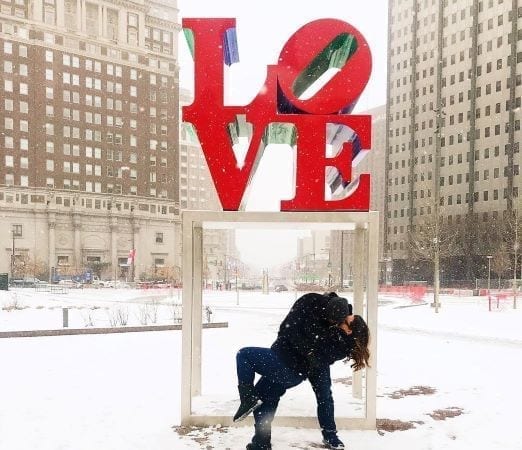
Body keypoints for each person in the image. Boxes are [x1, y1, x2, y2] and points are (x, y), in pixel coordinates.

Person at [233, 292, 370, 450]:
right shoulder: (327, 308)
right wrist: (305, 350)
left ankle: (330, 435)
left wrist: (309, 354)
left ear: (348, 331)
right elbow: (289, 329)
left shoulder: (341, 342)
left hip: (313, 364)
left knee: (325, 396)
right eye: (347, 317)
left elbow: (320, 350)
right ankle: (261, 441)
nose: (341, 320)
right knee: (266, 393)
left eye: (344, 321)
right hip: (295, 357)